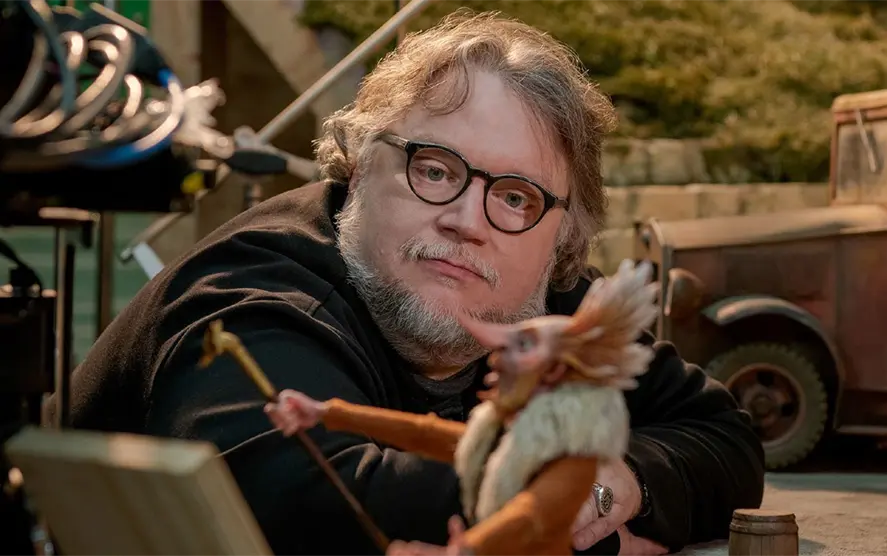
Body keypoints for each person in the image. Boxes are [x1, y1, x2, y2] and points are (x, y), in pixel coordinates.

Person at [61, 9, 765, 556]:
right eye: (434, 169)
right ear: (358, 165)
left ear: (563, 240)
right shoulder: (254, 291)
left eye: (515, 196)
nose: (467, 220)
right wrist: (587, 523)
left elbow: (725, 439)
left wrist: (616, 484)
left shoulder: (550, 308)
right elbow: (303, 502)